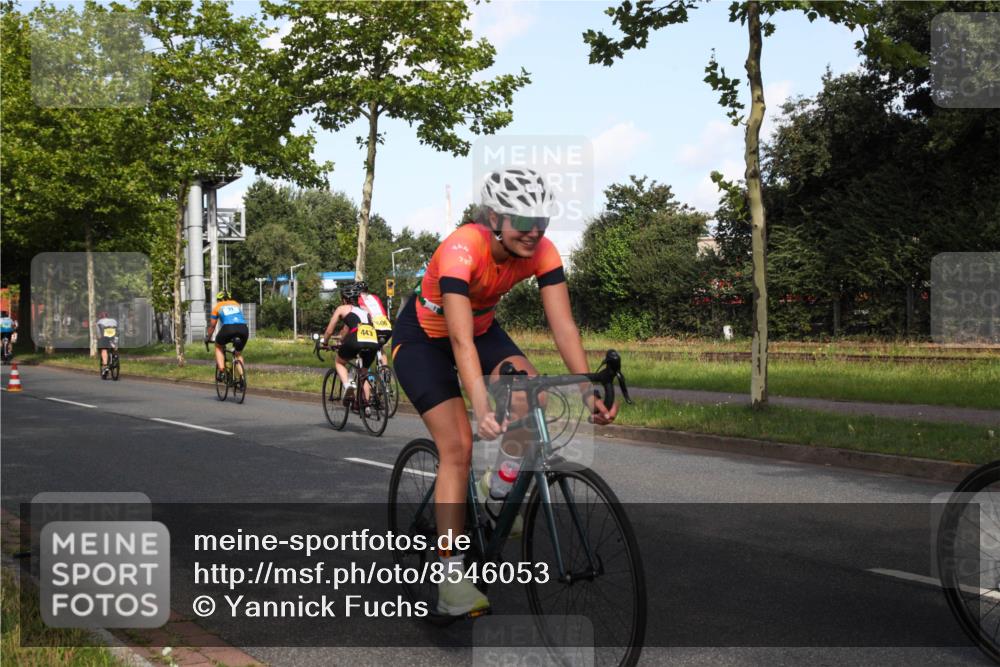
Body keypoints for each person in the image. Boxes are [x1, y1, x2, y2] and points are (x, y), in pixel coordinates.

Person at [391, 167, 618, 616]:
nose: (535, 232)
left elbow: (563, 325)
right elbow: (457, 343)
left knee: (532, 392)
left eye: (543, 221)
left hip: (481, 330)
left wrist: (588, 385)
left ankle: (499, 486)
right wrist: (479, 403)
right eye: (522, 219)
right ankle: (450, 577)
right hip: (423, 341)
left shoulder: (542, 251)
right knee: (458, 445)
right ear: (494, 217)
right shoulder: (462, 247)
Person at [320, 283, 380, 406]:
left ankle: (348, 385)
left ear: (344, 299)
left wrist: (324, 342)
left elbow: (329, 330)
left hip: (356, 338)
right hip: (373, 341)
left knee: (339, 362)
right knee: (364, 373)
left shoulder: (342, 308)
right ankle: (365, 404)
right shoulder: (365, 310)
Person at [205, 290, 249, 381]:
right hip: (243, 329)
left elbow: (212, 326)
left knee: (218, 346)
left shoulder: (218, 307)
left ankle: (221, 372)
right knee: (238, 353)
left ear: (219, 300)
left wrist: (208, 338)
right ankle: (242, 379)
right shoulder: (236, 304)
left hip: (228, 328)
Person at [354, 280, 392, 367]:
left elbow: (365, 314)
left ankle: (365, 373)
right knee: (380, 348)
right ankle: (385, 371)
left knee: (364, 349)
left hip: (374, 326)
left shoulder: (358, 299)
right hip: (387, 327)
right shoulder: (375, 297)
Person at [95, 310, 118, 379]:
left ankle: (105, 366)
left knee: (104, 350)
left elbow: (98, 332)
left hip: (105, 335)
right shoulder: (114, 321)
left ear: (101, 317)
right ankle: (115, 356)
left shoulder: (99, 322)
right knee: (114, 346)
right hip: (114, 335)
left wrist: (98, 338)